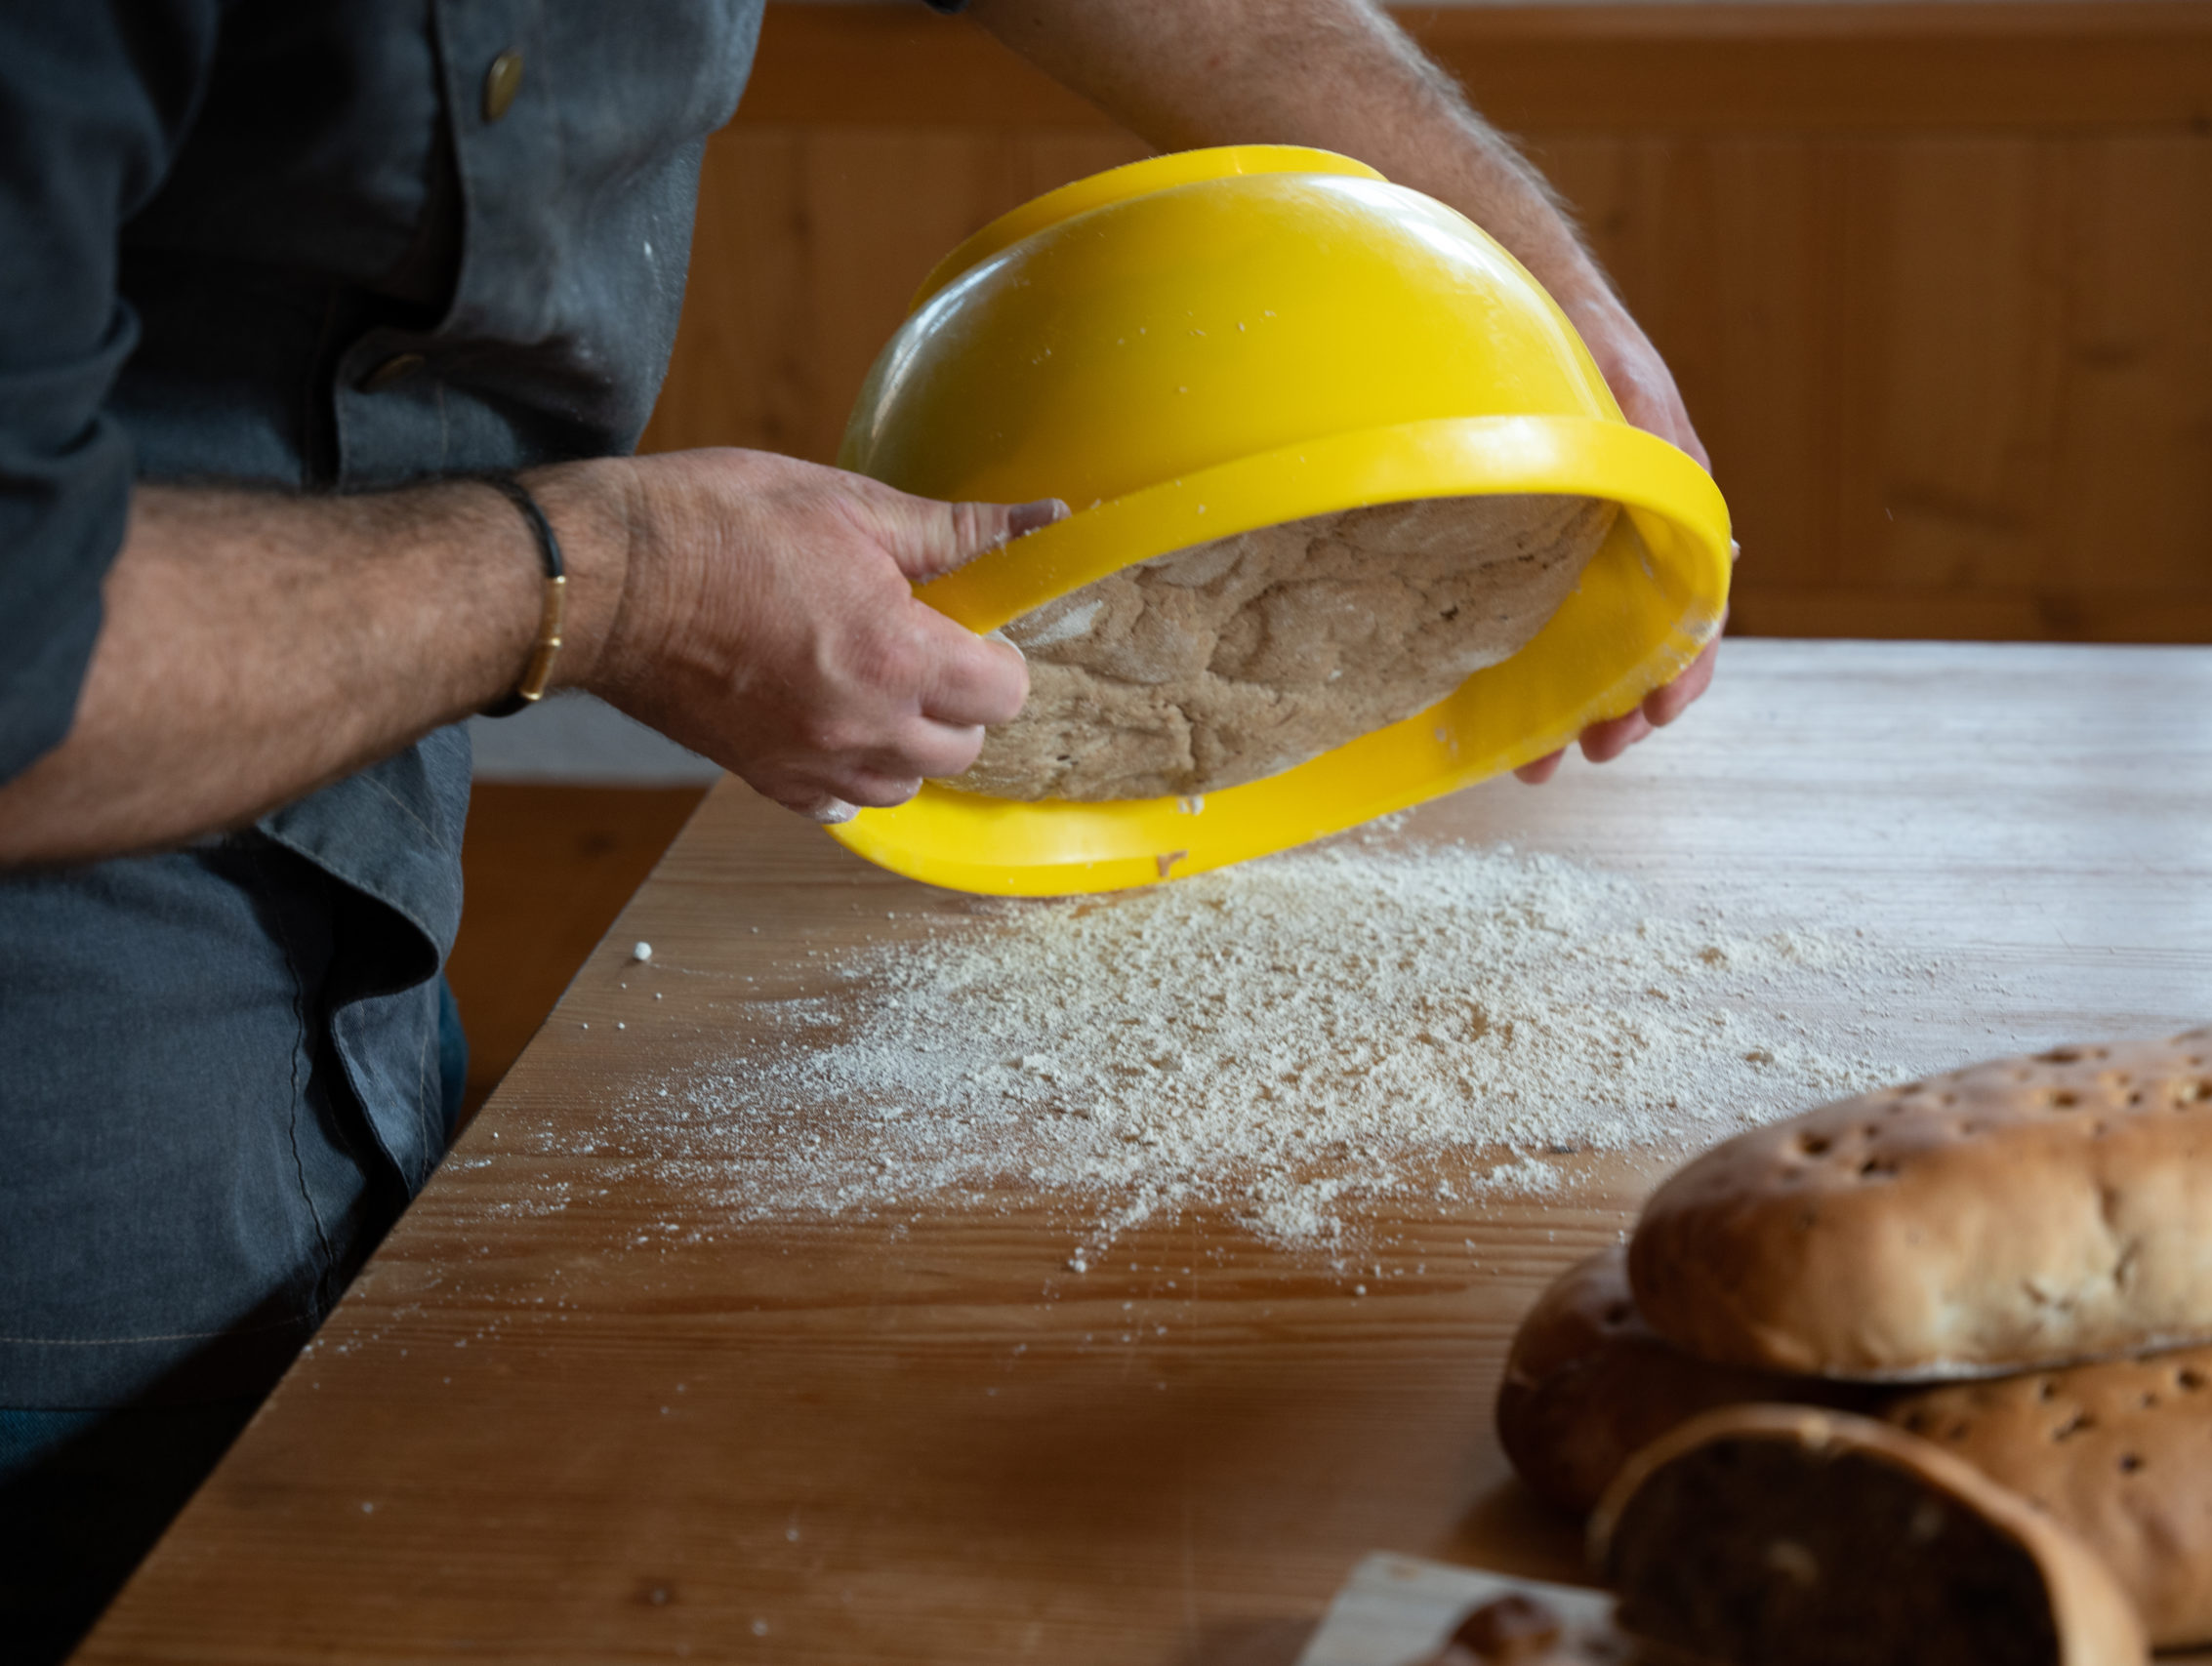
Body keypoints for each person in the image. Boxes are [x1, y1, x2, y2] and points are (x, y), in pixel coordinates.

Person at [0, 1, 1715, 1655]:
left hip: (353, 886)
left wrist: (1539, 297)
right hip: (63, 1070)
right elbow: (27, 670)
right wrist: (620, 585)